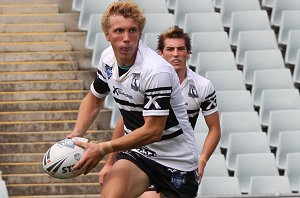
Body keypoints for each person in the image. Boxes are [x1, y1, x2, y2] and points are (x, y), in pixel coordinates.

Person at [67, 1, 199, 197]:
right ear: (107, 35)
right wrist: (76, 136)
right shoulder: (107, 60)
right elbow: (94, 99)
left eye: (133, 31)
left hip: (176, 159)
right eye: (119, 31)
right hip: (138, 152)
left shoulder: (155, 70)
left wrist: (103, 148)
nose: (126, 38)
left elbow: (153, 131)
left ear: (140, 33)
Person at [99, 26, 221, 198]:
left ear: (188, 53)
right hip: (142, 156)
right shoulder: (150, 78)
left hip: (177, 159)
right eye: (170, 49)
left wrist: (203, 159)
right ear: (161, 53)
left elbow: (214, 128)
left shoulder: (203, 87)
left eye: (181, 49)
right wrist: (109, 163)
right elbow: (125, 121)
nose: (176, 54)